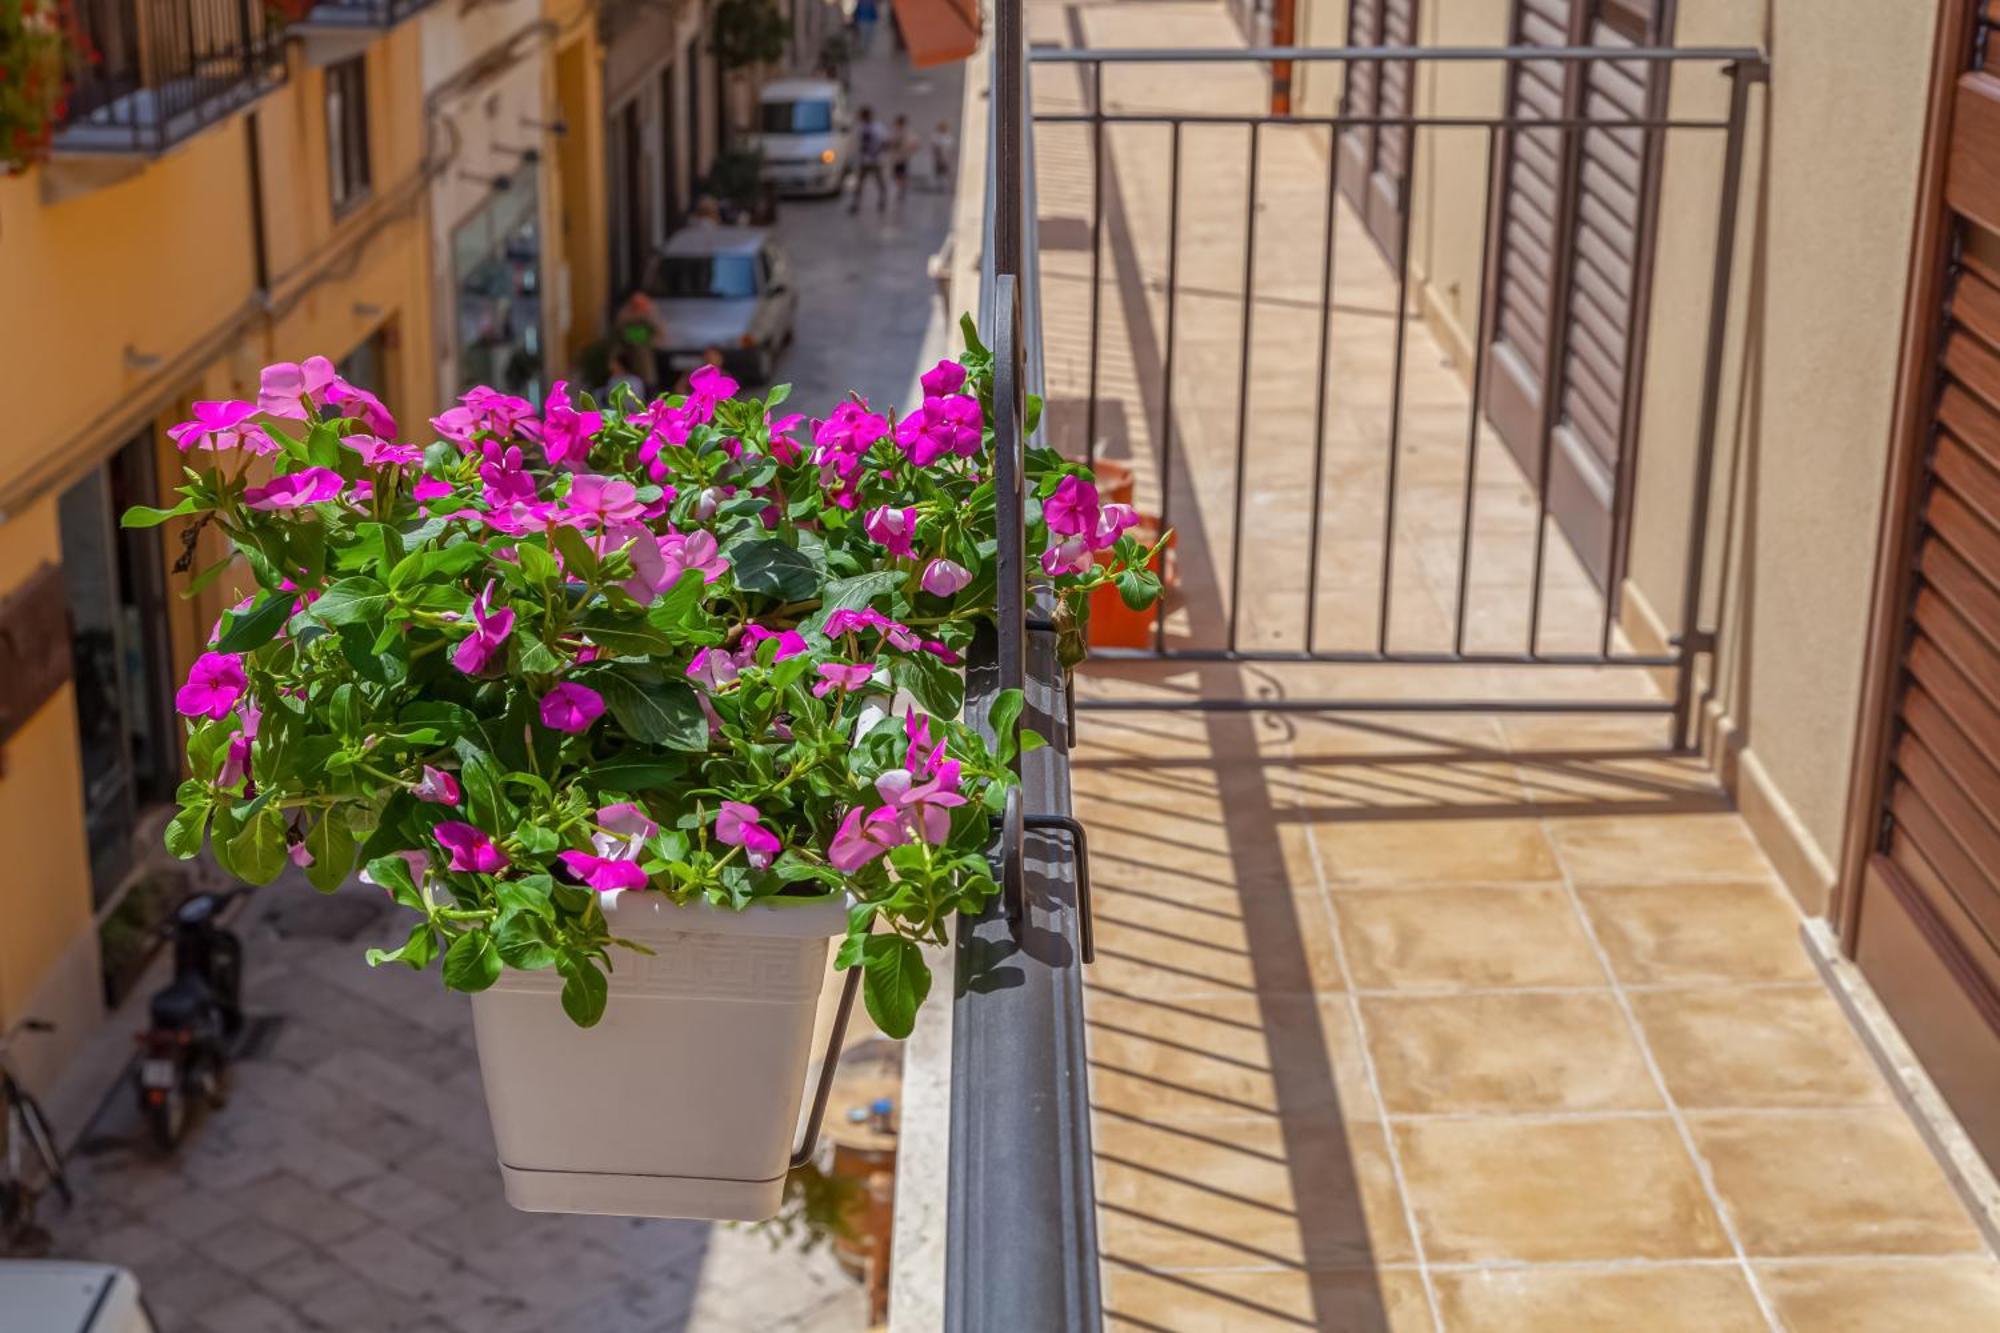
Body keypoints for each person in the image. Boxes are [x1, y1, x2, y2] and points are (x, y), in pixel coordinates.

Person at [849, 107, 888, 215]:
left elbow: (885, 143)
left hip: (875, 160)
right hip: (864, 161)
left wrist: (877, 152)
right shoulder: (861, 128)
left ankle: (882, 200)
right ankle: (855, 204)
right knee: (859, 183)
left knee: (879, 181)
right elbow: (859, 144)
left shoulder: (878, 127)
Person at [889, 114, 916, 206]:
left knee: (899, 174)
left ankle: (901, 189)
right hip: (900, 157)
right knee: (899, 174)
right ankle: (901, 188)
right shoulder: (904, 132)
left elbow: (914, 144)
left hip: (900, 157)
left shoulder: (902, 132)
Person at [928, 118, 955, 191]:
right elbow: (934, 146)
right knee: (938, 172)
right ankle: (938, 186)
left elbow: (950, 148)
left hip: (946, 157)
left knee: (947, 172)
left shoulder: (948, 136)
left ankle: (948, 186)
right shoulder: (936, 136)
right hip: (938, 157)